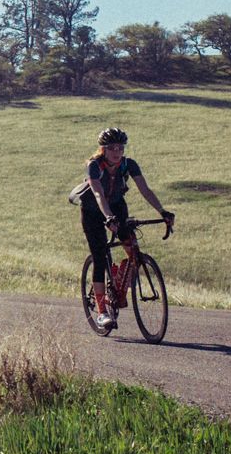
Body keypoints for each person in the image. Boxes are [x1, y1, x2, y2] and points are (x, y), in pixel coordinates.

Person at [68, 127, 173, 324]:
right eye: (111, 148)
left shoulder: (128, 165)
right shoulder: (94, 166)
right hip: (93, 211)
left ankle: (118, 282)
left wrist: (163, 212)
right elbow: (98, 194)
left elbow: (145, 189)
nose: (117, 152)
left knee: (132, 245)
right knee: (99, 258)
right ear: (103, 150)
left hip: (117, 206)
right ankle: (101, 313)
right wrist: (108, 217)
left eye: (120, 148)